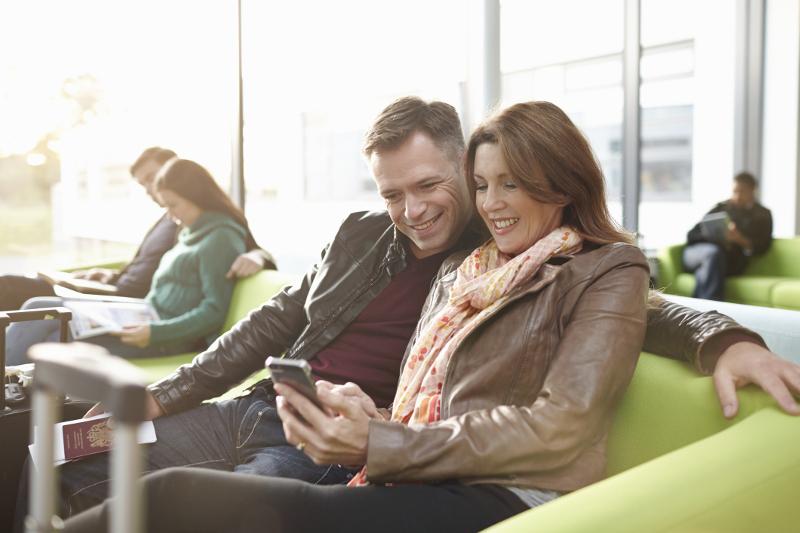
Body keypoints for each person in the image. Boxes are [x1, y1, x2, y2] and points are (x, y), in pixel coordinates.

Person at [44, 98, 799, 522]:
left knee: (185, 505)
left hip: (363, 447)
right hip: (292, 413)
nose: (413, 209)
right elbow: (278, 317)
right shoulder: (423, 250)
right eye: (393, 192)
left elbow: (627, 294)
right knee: (62, 450)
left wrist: (722, 334)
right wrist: (171, 389)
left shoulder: (528, 251)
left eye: (432, 185)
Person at [5, 159, 252, 362]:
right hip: (142, 316)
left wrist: (154, 333)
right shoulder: (191, 231)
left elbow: (214, 310)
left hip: (163, 338)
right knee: (36, 305)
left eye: (174, 205)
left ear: (198, 197)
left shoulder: (221, 237)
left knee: (51, 341)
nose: (170, 215)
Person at [0, 147, 276, 312]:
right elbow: (144, 266)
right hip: (116, 290)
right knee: (22, 286)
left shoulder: (201, 222)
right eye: (143, 185)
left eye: (152, 179)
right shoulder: (168, 219)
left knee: (15, 289)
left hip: (129, 303)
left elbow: (240, 240)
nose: (150, 190)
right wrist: (111, 275)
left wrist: (257, 256)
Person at [682, 171, 773, 300]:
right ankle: (712, 309)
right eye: (734, 191)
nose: (737, 196)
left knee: (709, 265)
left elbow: (763, 247)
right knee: (713, 254)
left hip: (725, 261)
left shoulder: (763, 215)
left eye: (741, 192)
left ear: (753, 190)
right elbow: (691, 235)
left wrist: (739, 239)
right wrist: (711, 235)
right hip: (697, 253)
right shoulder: (721, 208)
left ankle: (700, 309)